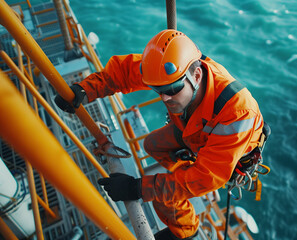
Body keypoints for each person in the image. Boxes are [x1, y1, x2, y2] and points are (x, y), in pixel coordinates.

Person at [55, 29, 264, 240]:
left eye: (172, 89)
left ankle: (186, 232)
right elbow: (125, 73)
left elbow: (206, 178)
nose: (164, 98)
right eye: (157, 90)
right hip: (192, 130)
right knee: (152, 145)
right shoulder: (171, 72)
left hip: (222, 151)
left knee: (163, 198)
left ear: (197, 75)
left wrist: (136, 188)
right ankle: (182, 173)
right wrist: (85, 89)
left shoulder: (238, 113)